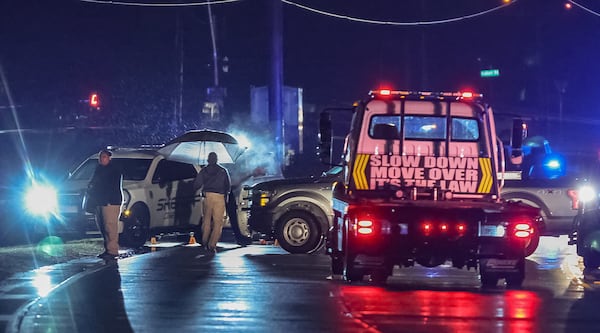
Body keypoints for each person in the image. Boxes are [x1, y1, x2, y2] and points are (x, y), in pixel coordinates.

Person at [88, 149, 123, 261]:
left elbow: (110, 186)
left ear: (109, 158)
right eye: (101, 157)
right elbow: (94, 183)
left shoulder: (114, 170)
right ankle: (108, 249)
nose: (102, 159)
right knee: (103, 226)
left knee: (110, 226)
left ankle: (113, 250)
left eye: (104, 157)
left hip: (110, 202)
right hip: (100, 201)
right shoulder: (99, 169)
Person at [194, 151, 231, 254]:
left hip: (207, 196)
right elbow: (228, 187)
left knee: (206, 221)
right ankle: (212, 244)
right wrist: (225, 198)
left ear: (208, 160)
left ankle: (205, 242)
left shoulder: (204, 171)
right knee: (218, 222)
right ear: (217, 159)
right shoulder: (223, 171)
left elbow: (197, 184)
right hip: (219, 197)